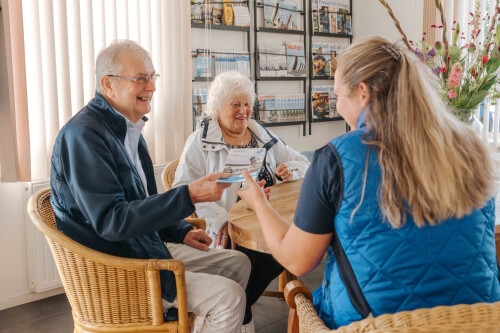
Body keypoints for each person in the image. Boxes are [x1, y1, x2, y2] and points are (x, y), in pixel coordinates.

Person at [237, 36, 500, 329]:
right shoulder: (471, 146)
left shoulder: (337, 157)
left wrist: (258, 202)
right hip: (481, 320)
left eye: (338, 96)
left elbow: (296, 261)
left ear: (363, 93)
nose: (337, 107)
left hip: (377, 324)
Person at [50, 40, 252, 333]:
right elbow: (113, 221)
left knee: (239, 263)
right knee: (229, 297)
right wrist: (189, 195)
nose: (152, 87)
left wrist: (179, 230)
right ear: (108, 84)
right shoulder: (84, 136)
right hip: (119, 269)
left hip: (142, 248)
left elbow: (142, 203)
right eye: (141, 79)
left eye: (153, 77)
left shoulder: (130, 129)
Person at [173, 71, 310, 332]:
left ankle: (238, 310)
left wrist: (290, 169)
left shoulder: (259, 133)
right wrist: (220, 219)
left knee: (282, 250)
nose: (243, 111)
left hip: (263, 220)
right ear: (217, 107)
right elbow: (183, 190)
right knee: (270, 252)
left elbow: (303, 161)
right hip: (225, 227)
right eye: (235, 104)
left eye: (247, 103)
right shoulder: (200, 140)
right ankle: (238, 313)